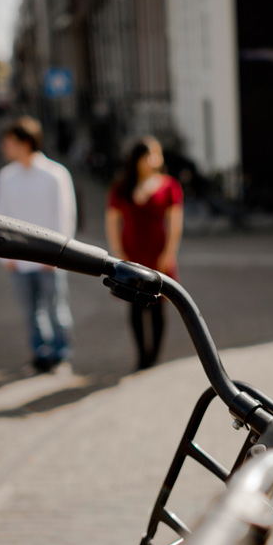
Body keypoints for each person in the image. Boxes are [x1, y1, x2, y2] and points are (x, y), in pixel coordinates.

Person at [0, 116, 77, 372]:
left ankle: (62, 356)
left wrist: (58, 256)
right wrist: (4, 258)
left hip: (49, 260)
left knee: (56, 310)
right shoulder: (6, 177)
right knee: (31, 312)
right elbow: (0, 215)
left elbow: (65, 216)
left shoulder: (55, 175)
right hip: (18, 261)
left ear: (25, 142)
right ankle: (41, 356)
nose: (3, 148)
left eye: (9, 143)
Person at [105, 136, 184, 370]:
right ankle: (141, 356)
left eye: (157, 155)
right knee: (135, 306)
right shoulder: (121, 187)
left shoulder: (169, 186)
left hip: (158, 254)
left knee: (159, 305)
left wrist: (169, 253)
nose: (154, 160)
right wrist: (119, 253)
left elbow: (175, 223)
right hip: (132, 255)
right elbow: (112, 223)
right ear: (137, 159)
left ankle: (154, 357)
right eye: (149, 155)